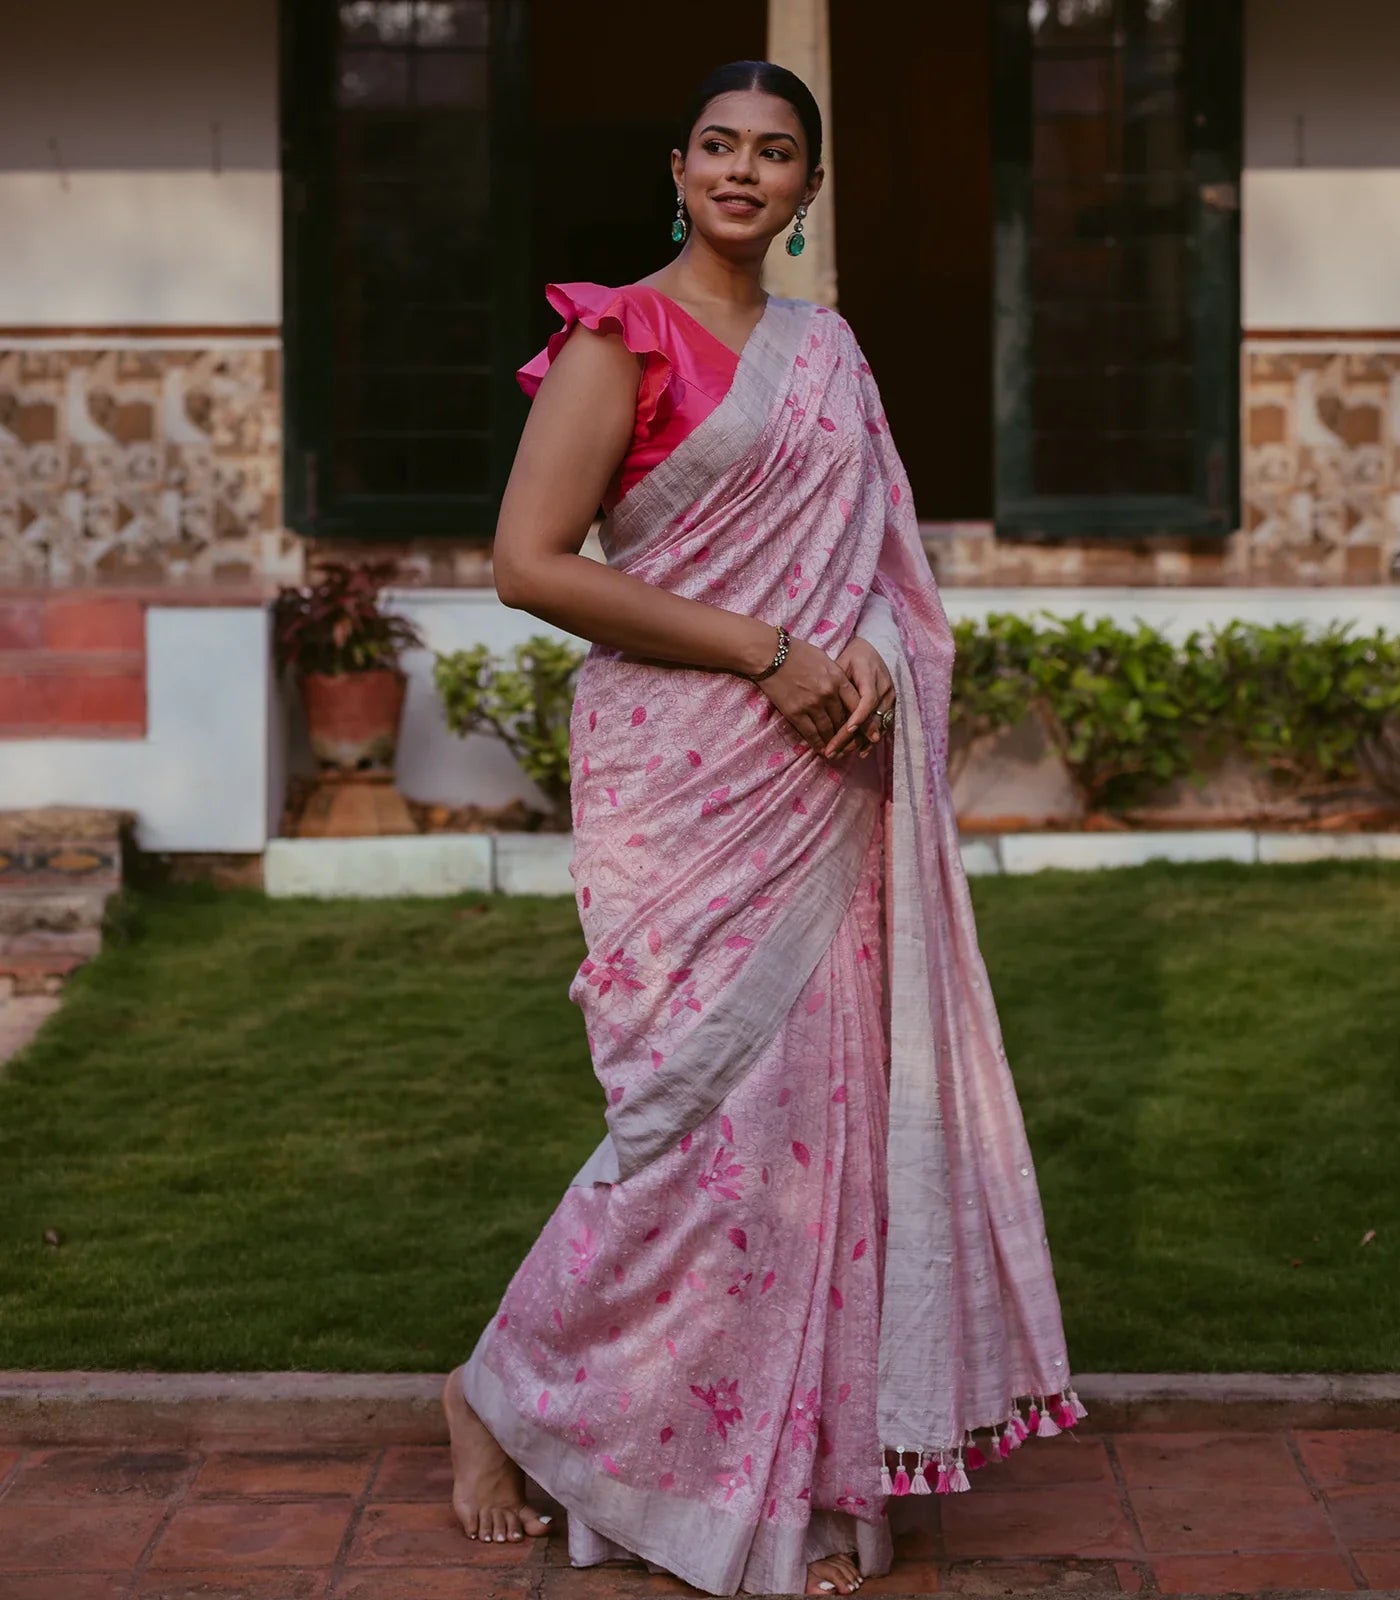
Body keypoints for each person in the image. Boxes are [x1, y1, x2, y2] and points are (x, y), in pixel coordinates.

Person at [443, 58, 1084, 1600]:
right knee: (685, 1135)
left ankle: (778, 1480)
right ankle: (498, 1391)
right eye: (719, 146)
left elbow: (873, 558)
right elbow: (531, 564)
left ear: (806, 188)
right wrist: (771, 656)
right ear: (679, 167)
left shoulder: (829, 351)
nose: (744, 170)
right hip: (687, 771)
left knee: (811, 1132)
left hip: (820, 775)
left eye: (776, 152)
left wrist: (853, 641)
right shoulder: (621, 334)